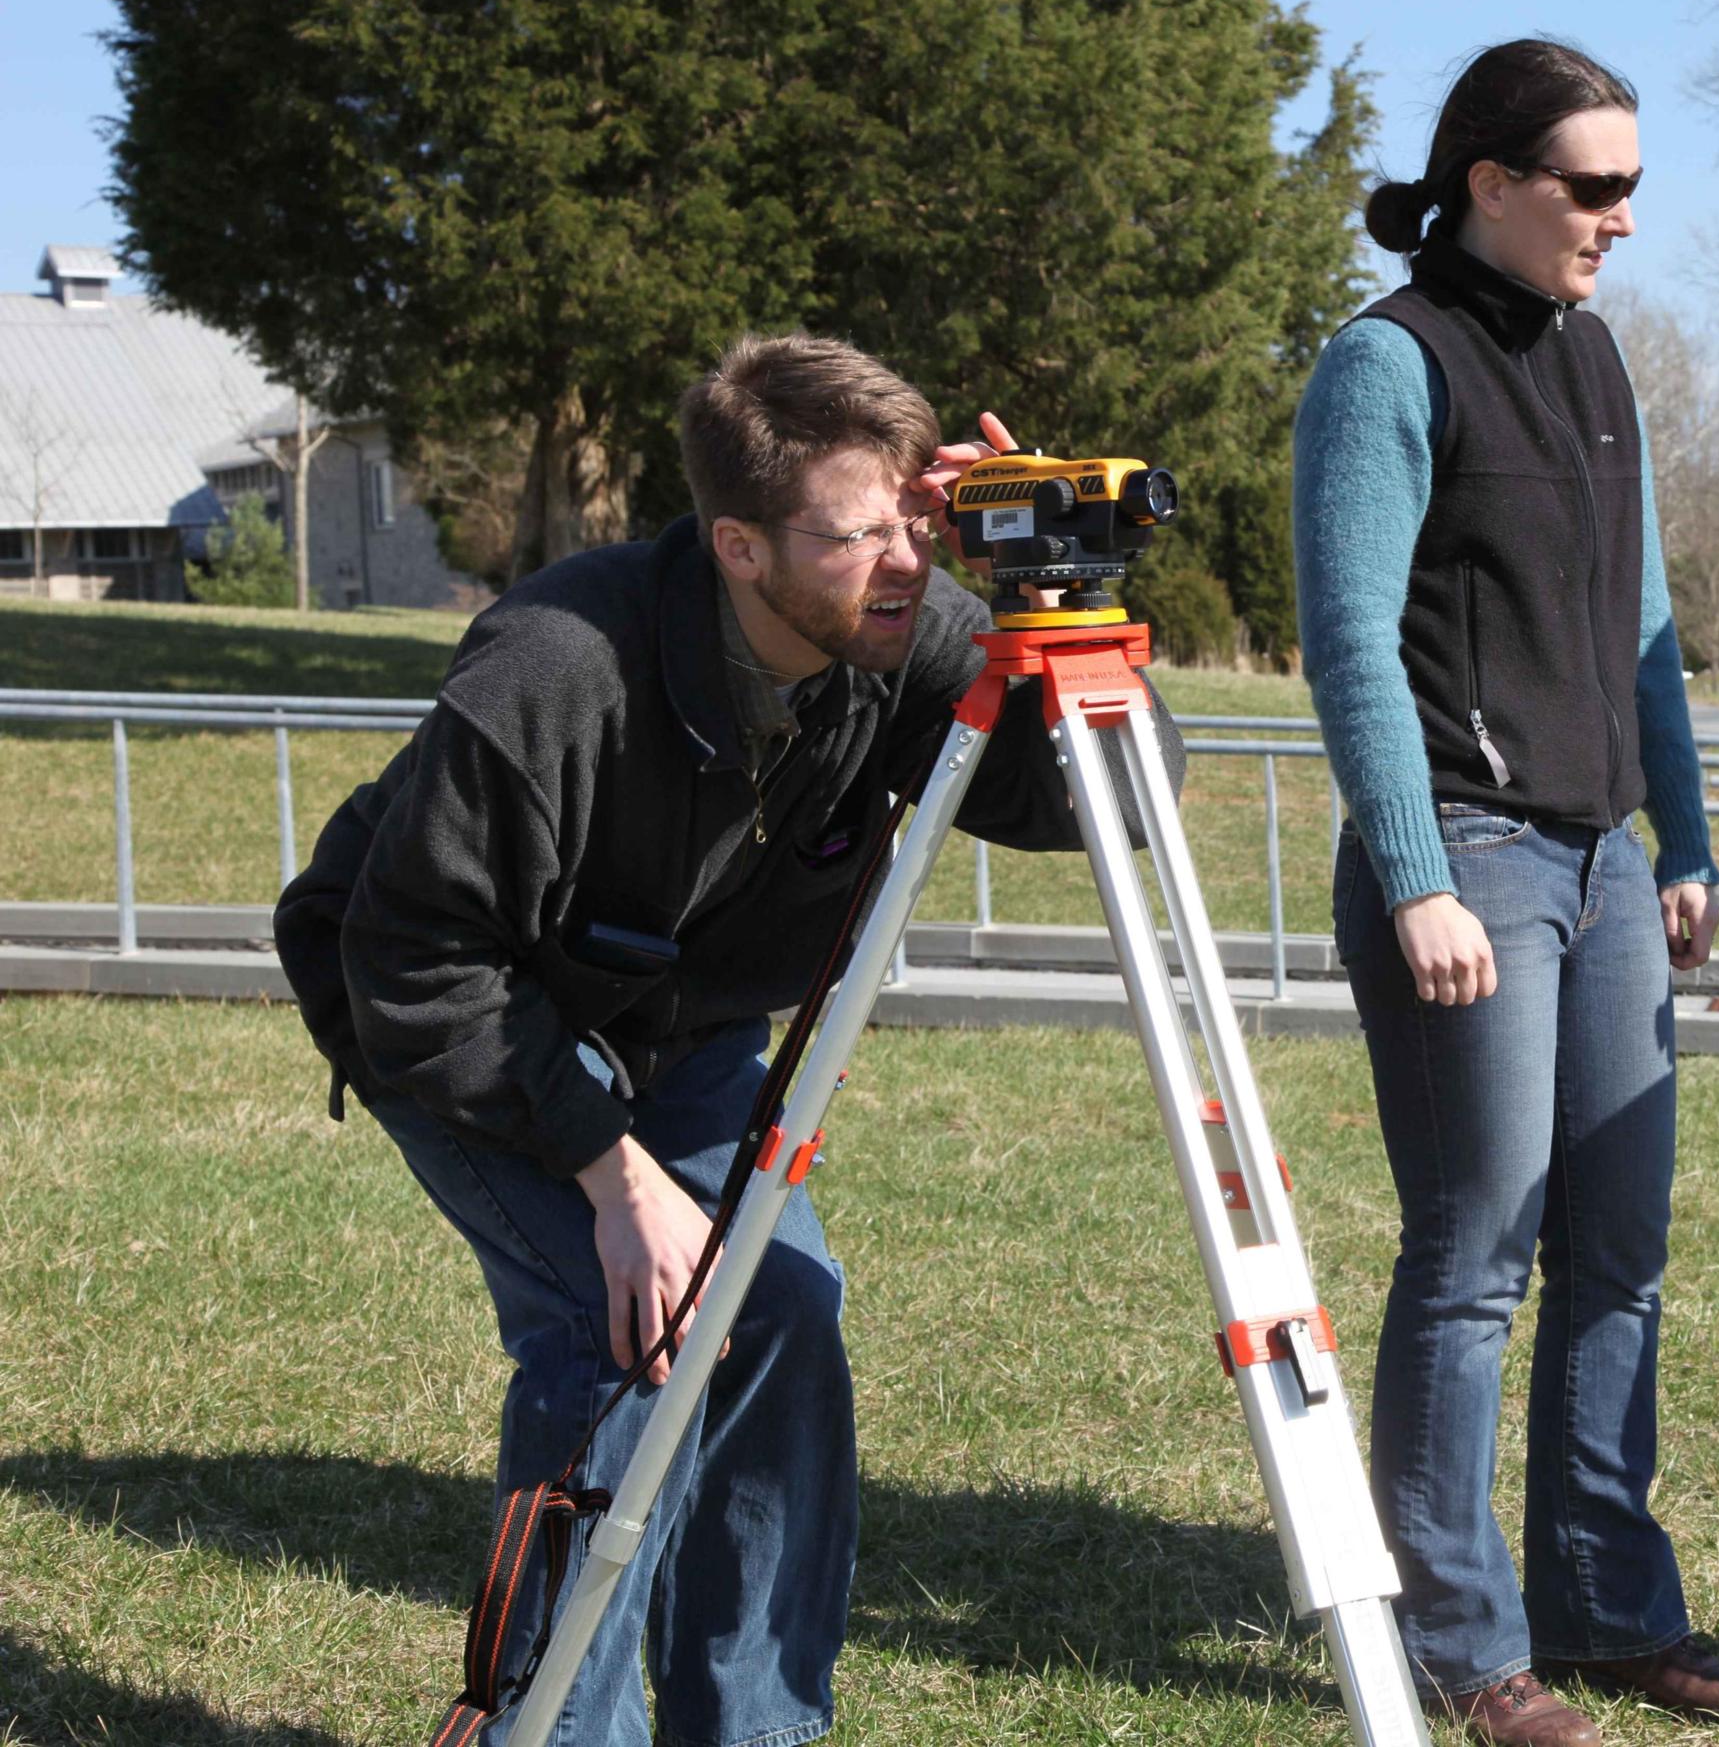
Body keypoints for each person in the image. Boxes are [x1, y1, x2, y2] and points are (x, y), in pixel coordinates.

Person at [274, 334, 1174, 1744]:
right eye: (859, 532)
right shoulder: (558, 663)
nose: (904, 561)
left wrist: (1043, 604)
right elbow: (410, 960)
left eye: (915, 520)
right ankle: (553, 1730)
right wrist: (612, 1177)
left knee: (785, 1316)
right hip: (472, 1014)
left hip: (679, 1038)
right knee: (629, 1331)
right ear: (740, 545)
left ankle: (753, 1728)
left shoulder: (907, 625)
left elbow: (1105, 798)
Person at [1290, 38, 1719, 1747]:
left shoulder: (1597, 359)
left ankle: (1609, 1608)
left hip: (1608, 861)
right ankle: (1464, 1643)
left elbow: (1642, 631)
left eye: (1637, 186)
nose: (1624, 220)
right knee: (1475, 1254)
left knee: (1618, 1251)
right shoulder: (1385, 365)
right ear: (1490, 181)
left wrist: (1688, 841)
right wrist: (1415, 878)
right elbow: (1348, 641)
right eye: (1595, 187)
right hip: (1471, 860)